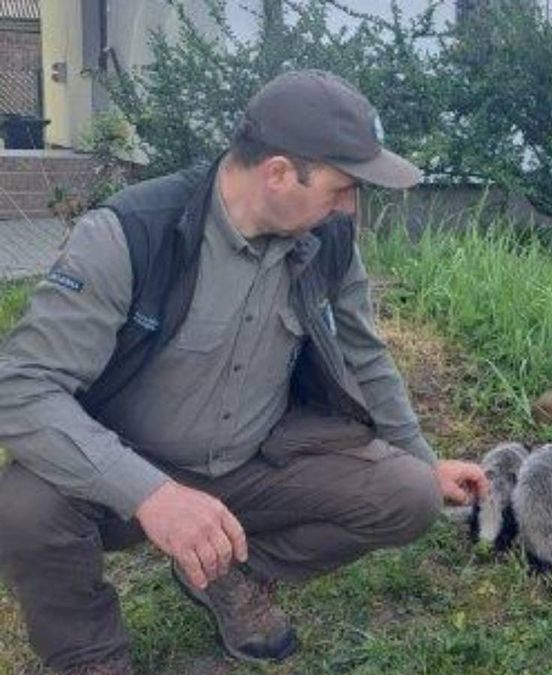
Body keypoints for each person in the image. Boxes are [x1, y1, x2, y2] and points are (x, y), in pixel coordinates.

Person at [0, 70, 489, 675]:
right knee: (26, 504)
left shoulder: (328, 238)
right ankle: (90, 659)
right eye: (342, 187)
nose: (350, 206)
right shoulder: (131, 234)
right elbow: (21, 389)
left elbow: (366, 356)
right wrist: (151, 493)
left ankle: (229, 572)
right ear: (280, 173)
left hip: (254, 463)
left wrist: (421, 457)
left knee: (408, 495)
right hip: (125, 471)